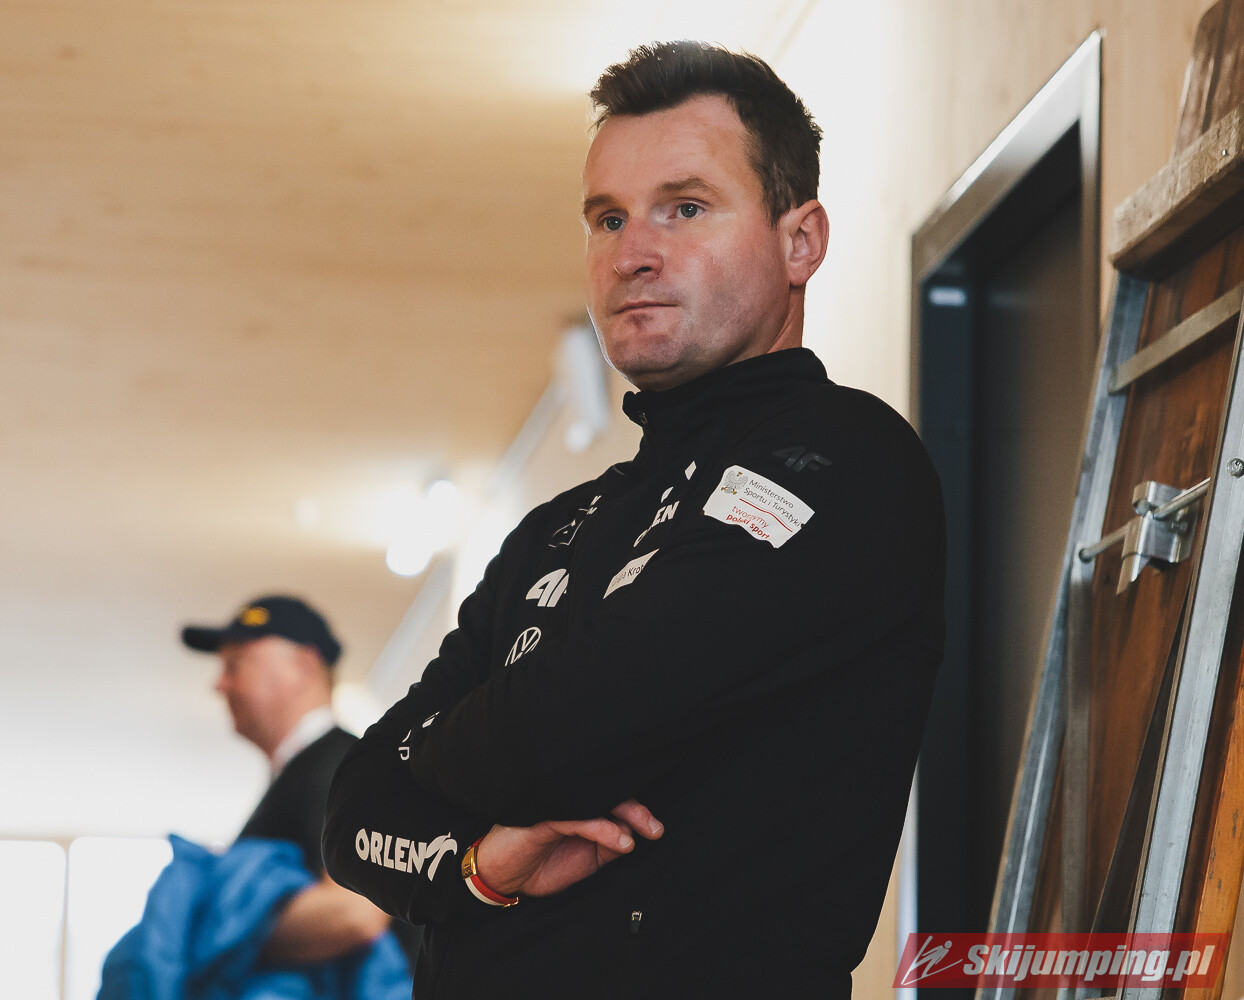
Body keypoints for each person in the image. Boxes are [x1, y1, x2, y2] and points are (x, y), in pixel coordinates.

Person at [322, 41, 945, 999]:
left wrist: (436, 751)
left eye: (685, 208)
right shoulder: (557, 529)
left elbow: (564, 728)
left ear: (801, 242)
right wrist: (478, 866)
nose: (633, 253)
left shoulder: (843, 461)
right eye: (608, 218)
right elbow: (353, 814)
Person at [181, 595, 415, 965]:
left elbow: (356, 910)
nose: (220, 685)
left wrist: (208, 934)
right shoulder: (312, 769)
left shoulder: (338, 764)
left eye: (235, 665)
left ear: (303, 666)